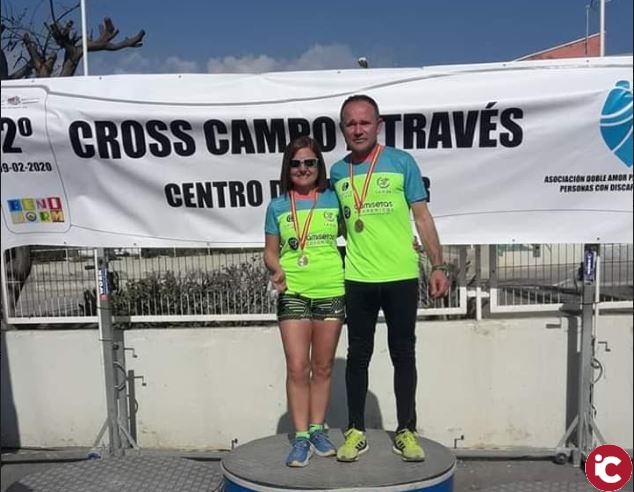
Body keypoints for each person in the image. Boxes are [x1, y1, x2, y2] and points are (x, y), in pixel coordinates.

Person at [329, 95, 450, 463]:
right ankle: (355, 430)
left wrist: (438, 265)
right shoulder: (337, 172)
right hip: (358, 277)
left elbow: (422, 216)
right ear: (343, 129)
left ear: (378, 125)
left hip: (400, 276)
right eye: (351, 123)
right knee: (357, 356)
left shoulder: (401, 162)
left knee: (403, 354)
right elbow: (338, 223)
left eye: (365, 122)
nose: (358, 129)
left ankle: (406, 430)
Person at [263, 136, 345, 467]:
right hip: (293, 290)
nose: (303, 168)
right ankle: (300, 438)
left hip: (331, 288)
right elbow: (270, 251)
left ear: (318, 166)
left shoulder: (333, 198)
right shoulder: (278, 206)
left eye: (309, 162)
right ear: (288, 168)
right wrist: (276, 269)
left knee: (323, 367)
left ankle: (317, 430)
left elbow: (359, 233)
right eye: (296, 163)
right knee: (298, 367)